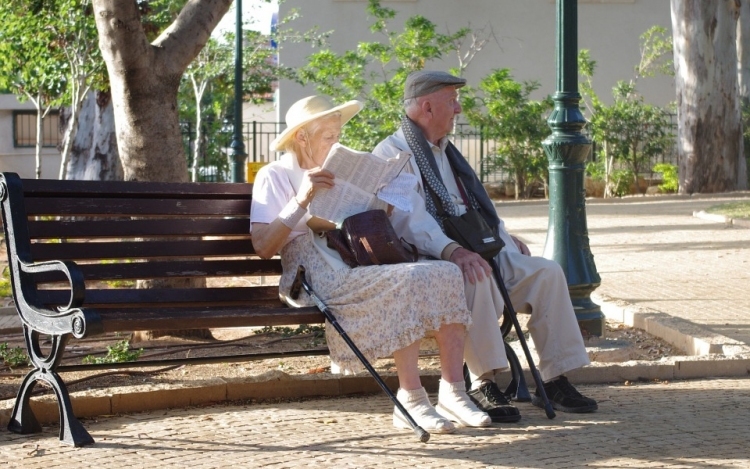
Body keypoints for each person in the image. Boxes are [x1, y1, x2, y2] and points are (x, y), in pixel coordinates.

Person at [250, 95, 491, 434]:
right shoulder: (274, 174)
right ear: (301, 137)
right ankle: (411, 398)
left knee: (446, 271)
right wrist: (301, 199)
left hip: (353, 257)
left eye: (338, 134)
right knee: (404, 280)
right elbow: (263, 246)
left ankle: (453, 391)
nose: (337, 142)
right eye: (329, 136)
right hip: (312, 271)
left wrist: (381, 202)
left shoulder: (337, 169)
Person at [373, 71, 598, 422]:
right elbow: (409, 221)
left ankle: (555, 378)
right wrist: (454, 251)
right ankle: (483, 381)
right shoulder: (392, 153)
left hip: (476, 249)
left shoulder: (447, 152)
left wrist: (505, 240)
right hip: (436, 260)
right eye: (452, 101)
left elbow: (474, 208)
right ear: (427, 107)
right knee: (475, 275)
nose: (459, 109)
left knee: (546, 272)